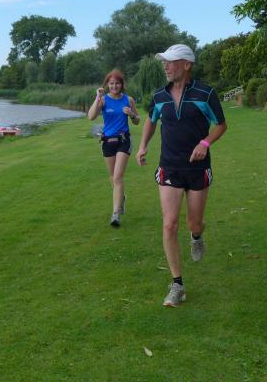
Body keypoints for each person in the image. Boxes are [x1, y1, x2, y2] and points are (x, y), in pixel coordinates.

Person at [136, 44, 227, 307]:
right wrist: (143, 146)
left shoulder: (205, 93)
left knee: (194, 223)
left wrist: (205, 143)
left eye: (171, 61)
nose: (166, 66)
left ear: (187, 65)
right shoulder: (159, 96)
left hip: (198, 168)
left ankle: (196, 237)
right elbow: (151, 119)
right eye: (164, 62)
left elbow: (221, 125)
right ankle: (177, 284)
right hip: (170, 167)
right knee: (169, 224)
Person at [87, 69, 141, 227]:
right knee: (113, 177)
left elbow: (137, 120)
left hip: (124, 141)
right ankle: (121, 197)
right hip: (107, 142)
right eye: (111, 83)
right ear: (107, 85)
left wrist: (131, 114)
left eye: (117, 83)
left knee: (117, 177)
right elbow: (91, 116)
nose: (114, 86)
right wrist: (97, 97)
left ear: (122, 84)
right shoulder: (103, 100)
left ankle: (116, 214)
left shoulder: (128, 100)